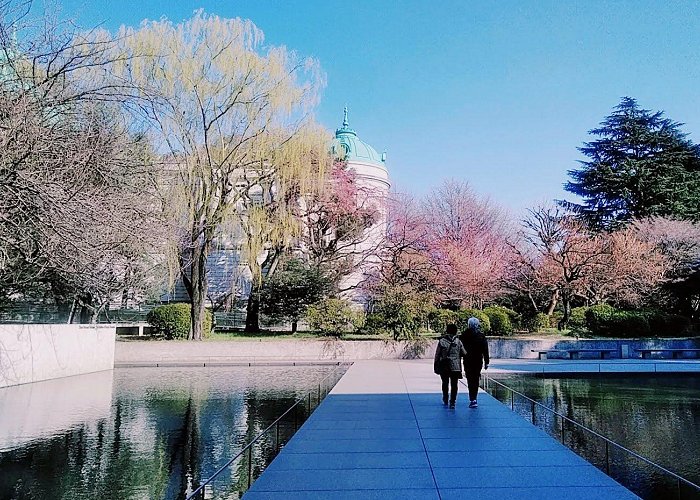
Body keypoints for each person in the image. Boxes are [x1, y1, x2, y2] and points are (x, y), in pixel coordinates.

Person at [433, 323, 466, 409]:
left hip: (444, 366)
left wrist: (436, 365)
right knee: (454, 385)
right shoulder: (458, 342)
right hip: (455, 367)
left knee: (445, 383)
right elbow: (464, 353)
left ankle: (445, 398)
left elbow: (437, 355)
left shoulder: (442, 341)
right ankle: (453, 402)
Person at [460, 317, 490, 408]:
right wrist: (486, 361)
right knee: (476, 379)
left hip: (468, 360)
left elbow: (460, 349)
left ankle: (472, 398)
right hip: (477, 361)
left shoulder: (464, 335)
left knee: (470, 379)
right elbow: (485, 350)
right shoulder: (481, 336)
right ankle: (474, 398)